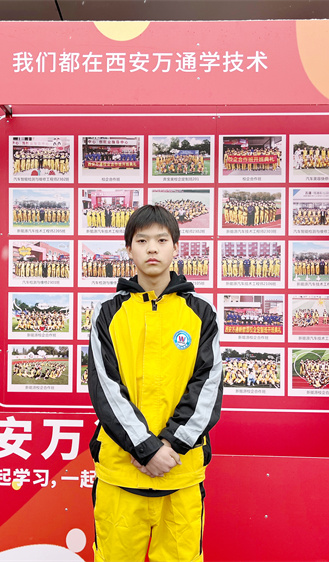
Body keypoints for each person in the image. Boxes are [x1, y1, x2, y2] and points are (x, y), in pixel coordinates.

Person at [87, 204, 223, 562]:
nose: (152, 248)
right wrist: (146, 449)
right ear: (128, 249)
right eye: (142, 240)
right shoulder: (107, 314)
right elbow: (105, 389)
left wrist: (170, 446)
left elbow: (207, 387)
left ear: (175, 247)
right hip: (121, 473)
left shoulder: (201, 314)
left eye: (162, 240)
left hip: (180, 472)